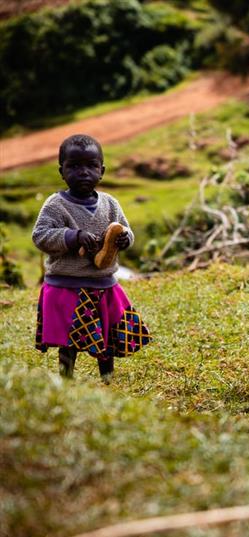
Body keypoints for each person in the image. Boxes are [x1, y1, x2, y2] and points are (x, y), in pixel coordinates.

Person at [32, 134, 151, 383]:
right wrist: (72, 236)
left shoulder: (110, 204)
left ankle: (107, 379)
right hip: (67, 285)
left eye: (91, 166)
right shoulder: (56, 205)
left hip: (103, 284)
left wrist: (124, 239)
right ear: (62, 171)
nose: (83, 172)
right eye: (74, 166)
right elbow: (40, 236)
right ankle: (66, 378)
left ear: (102, 170)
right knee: (69, 341)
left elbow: (126, 230)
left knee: (107, 338)